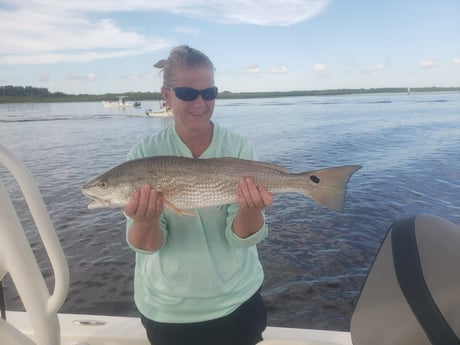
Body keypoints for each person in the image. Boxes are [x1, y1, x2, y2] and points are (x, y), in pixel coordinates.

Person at [124, 45, 274, 345]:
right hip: (167, 310)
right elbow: (148, 246)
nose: (200, 103)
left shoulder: (238, 148)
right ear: (166, 96)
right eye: (188, 94)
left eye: (209, 92)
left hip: (237, 300)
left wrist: (250, 209)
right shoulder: (143, 155)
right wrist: (146, 221)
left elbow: (242, 238)